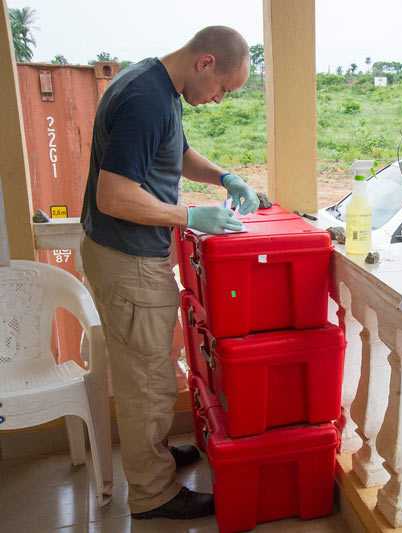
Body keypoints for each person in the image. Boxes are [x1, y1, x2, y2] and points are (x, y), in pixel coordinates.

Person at [79, 26, 259, 520]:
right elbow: (113, 196)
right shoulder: (146, 99)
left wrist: (224, 176)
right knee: (148, 381)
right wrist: (189, 216)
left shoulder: (159, 83)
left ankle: (151, 456)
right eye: (224, 88)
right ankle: (154, 494)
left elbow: (175, 154)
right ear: (205, 62)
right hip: (128, 259)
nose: (220, 100)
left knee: (153, 366)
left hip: (128, 254)